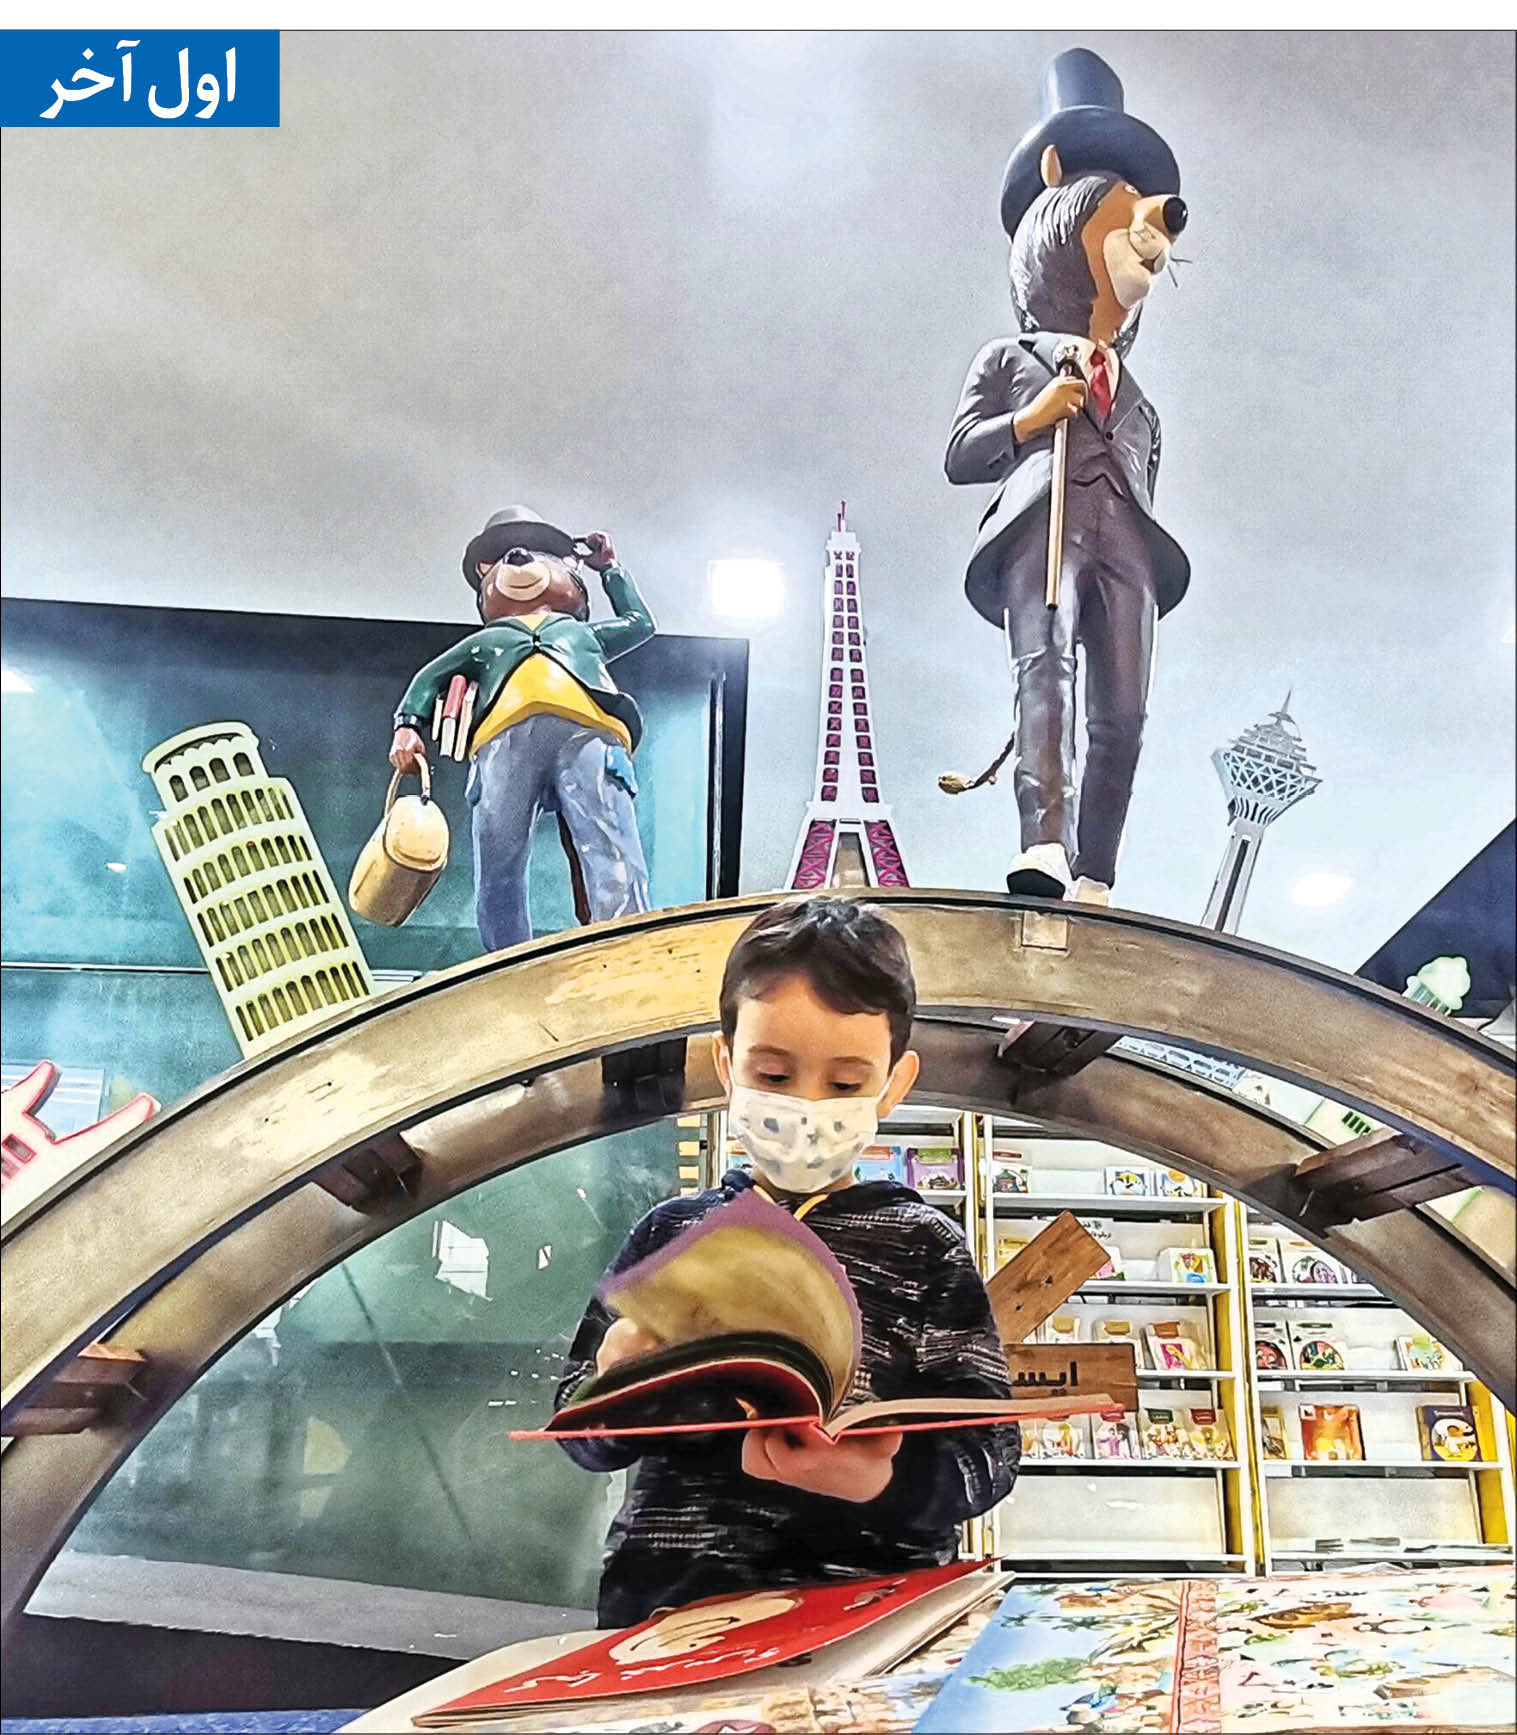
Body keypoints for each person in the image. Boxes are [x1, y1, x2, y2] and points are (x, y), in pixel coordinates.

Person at [554, 897, 1020, 1627]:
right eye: (772, 1074)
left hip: (867, 1616)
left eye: (845, 1085)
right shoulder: (673, 1231)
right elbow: (577, 1431)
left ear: (894, 1084)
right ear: (726, 1065)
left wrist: (877, 1477)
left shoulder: (924, 1245)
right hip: (671, 1613)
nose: (806, 1106)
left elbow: (988, 1452)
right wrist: (617, 1383)